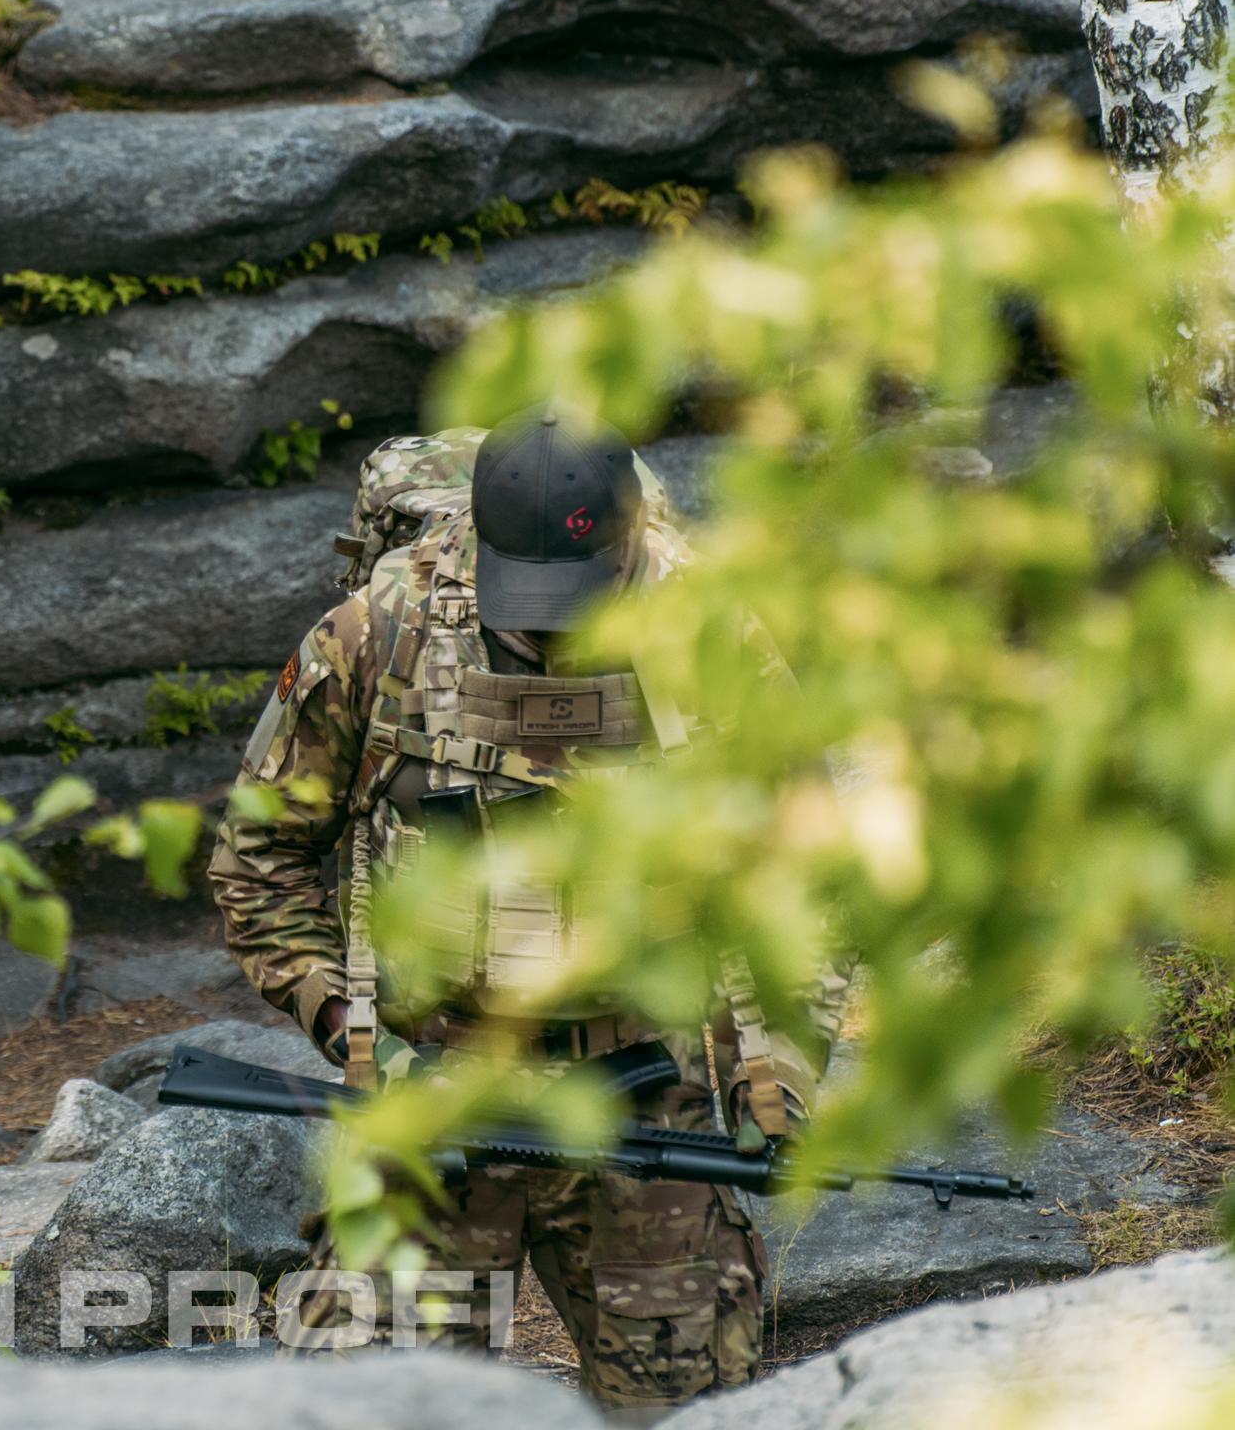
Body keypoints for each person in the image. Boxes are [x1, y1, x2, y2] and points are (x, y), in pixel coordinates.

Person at [207, 403, 847, 1414]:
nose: (550, 626)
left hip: (645, 1086)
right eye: (529, 598)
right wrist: (349, 1027)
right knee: (367, 1406)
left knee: (689, 1410)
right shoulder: (378, 632)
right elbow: (258, 859)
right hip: (435, 1079)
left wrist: (779, 1079)